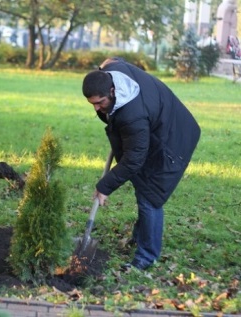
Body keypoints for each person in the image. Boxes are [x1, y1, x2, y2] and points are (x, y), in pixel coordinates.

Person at [82, 57, 201, 270]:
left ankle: (146, 257)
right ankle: (140, 237)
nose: (98, 109)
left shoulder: (132, 115)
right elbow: (115, 60)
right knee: (142, 188)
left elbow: (133, 160)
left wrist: (104, 186)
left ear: (112, 91)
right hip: (156, 128)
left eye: (100, 103)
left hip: (174, 142)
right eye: (93, 104)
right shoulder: (111, 70)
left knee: (150, 197)